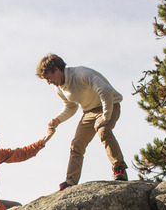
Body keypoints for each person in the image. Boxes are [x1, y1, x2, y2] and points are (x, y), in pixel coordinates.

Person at [36, 53, 128, 191]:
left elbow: (105, 90)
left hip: (110, 104)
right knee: (76, 144)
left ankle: (119, 168)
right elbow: (71, 106)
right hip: (89, 112)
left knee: (104, 131)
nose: (48, 82)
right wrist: (58, 119)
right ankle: (70, 182)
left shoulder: (81, 74)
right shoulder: (59, 88)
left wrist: (105, 116)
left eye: (49, 78)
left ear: (57, 69)